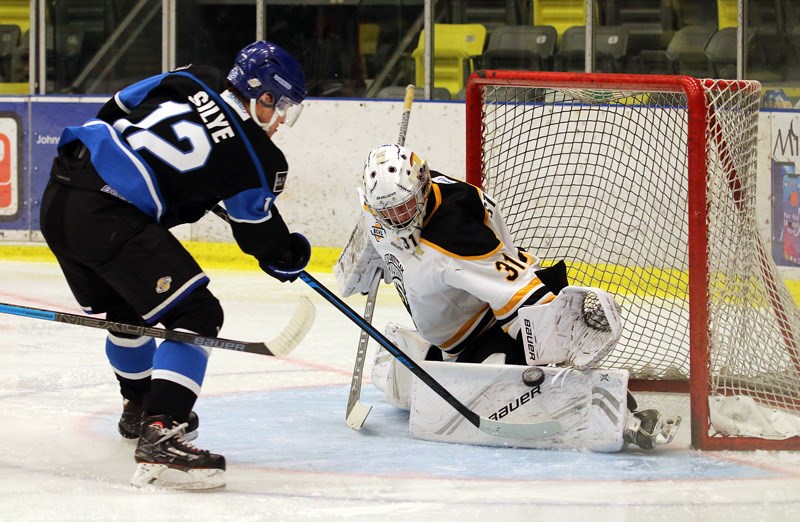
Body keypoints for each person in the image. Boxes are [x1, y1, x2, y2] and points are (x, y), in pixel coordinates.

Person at [39, 41, 311, 489]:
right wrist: (287, 256)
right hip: (109, 217)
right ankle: (162, 430)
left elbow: (117, 106)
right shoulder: (259, 160)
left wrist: (162, 177)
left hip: (63, 190)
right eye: (280, 106)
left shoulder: (193, 76)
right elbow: (259, 236)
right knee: (197, 313)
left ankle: (138, 406)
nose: (281, 120)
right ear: (262, 96)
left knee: (130, 313)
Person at [343, 143, 678, 451]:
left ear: (424, 184)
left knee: (519, 381)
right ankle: (443, 357)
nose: (398, 220)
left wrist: (557, 335)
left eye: (404, 208)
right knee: (412, 386)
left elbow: (519, 296)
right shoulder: (382, 205)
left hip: (493, 323)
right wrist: (372, 254)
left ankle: (625, 417)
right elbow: (378, 223)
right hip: (456, 332)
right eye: (388, 212)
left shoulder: (454, 237)